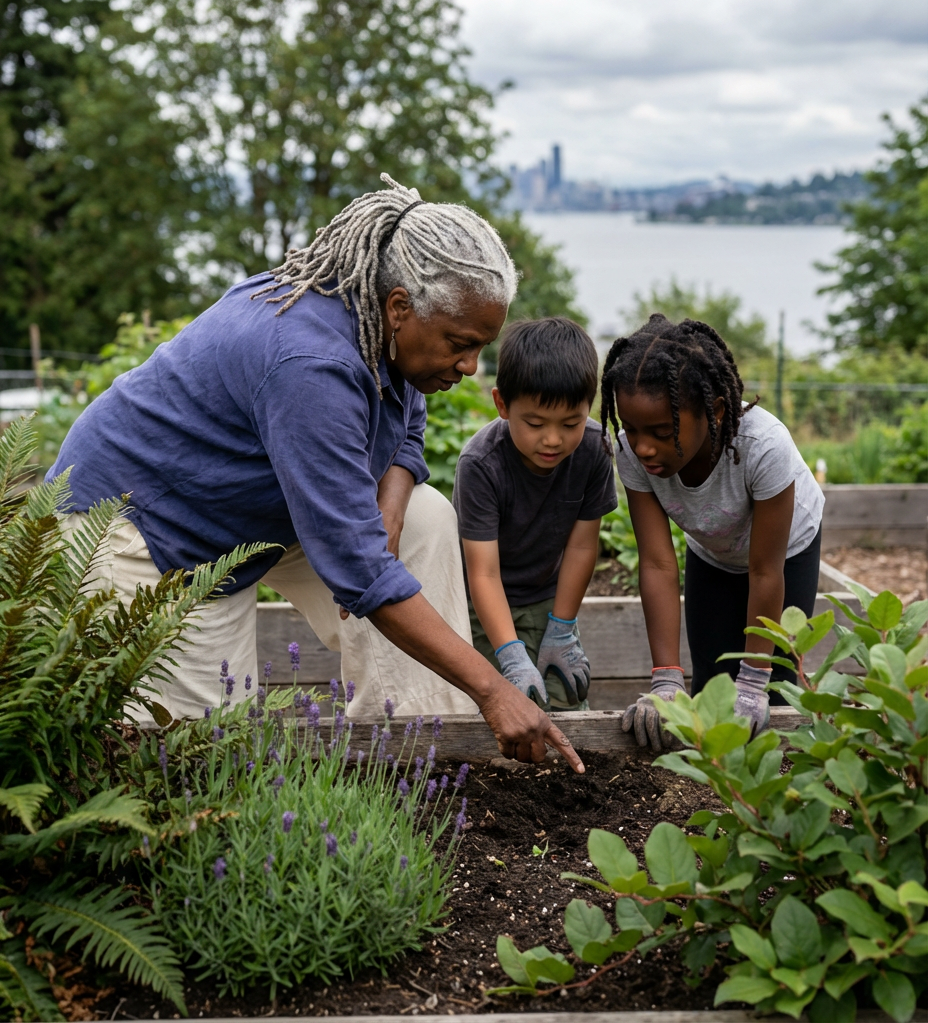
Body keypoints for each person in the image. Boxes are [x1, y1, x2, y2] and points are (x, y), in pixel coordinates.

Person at [48, 175, 585, 772]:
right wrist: (494, 689)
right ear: (400, 307)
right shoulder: (310, 364)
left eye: (481, 345)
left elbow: (406, 418)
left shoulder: (378, 322)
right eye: (460, 343)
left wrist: (393, 500)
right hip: (152, 530)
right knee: (200, 767)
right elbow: (357, 569)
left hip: (259, 505)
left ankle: (412, 761)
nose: (470, 365)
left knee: (424, 521)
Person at [599, 314, 824, 752]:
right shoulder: (634, 452)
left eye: (662, 432)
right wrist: (665, 679)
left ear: (716, 410)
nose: (644, 447)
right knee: (711, 683)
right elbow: (658, 562)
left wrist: (755, 680)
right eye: (633, 428)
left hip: (785, 554)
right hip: (711, 551)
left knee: (769, 691)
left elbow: (764, 571)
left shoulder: (762, 448)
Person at [452, 318, 618, 710]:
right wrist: (510, 654)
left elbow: (581, 547)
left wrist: (562, 629)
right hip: (486, 606)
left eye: (571, 423)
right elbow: (483, 572)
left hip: (549, 597)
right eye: (535, 423)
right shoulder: (481, 464)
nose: (553, 439)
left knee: (566, 700)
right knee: (504, 707)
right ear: (502, 405)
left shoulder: (593, 449)